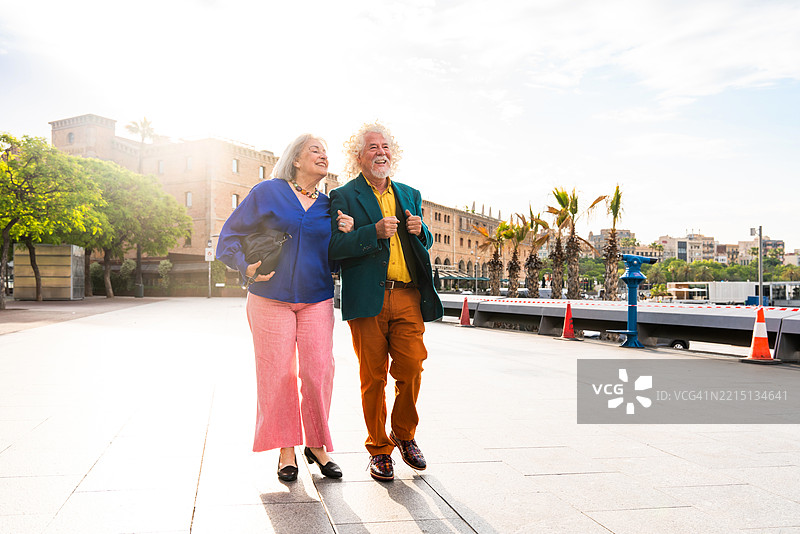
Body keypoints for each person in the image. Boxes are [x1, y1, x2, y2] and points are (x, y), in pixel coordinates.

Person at [216, 133, 354, 482]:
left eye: (326, 151)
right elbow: (229, 235)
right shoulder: (268, 192)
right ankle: (286, 450)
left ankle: (317, 445)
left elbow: (338, 254)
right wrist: (243, 266)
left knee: (317, 370)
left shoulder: (329, 206)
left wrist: (347, 231)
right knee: (277, 373)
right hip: (269, 297)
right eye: (315, 150)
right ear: (296, 159)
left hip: (317, 298)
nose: (324, 155)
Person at [328, 122, 443, 482]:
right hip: (367, 298)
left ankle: (404, 435)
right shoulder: (343, 197)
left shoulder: (410, 193)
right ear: (358, 156)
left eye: (386, 147)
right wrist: (371, 233)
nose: (381, 152)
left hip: (407, 294)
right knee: (372, 377)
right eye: (373, 147)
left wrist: (420, 230)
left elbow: (422, 241)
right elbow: (334, 249)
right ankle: (379, 448)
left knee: (411, 368)